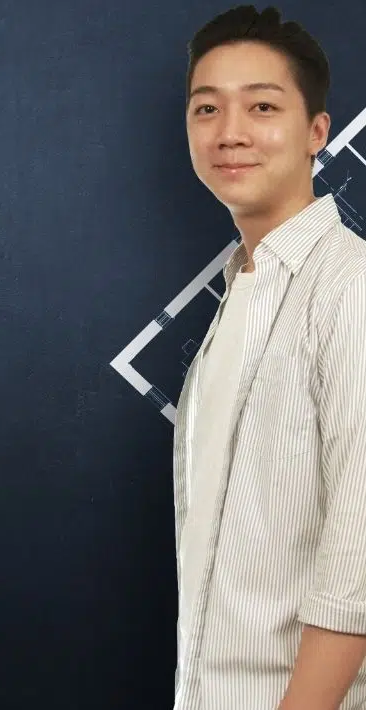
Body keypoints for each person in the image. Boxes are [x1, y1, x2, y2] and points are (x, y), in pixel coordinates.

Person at [174, 5, 366, 709]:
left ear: (317, 131)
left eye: (262, 106)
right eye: (207, 109)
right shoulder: (241, 291)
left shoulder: (351, 288)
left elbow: (358, 563)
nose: (230, 132)